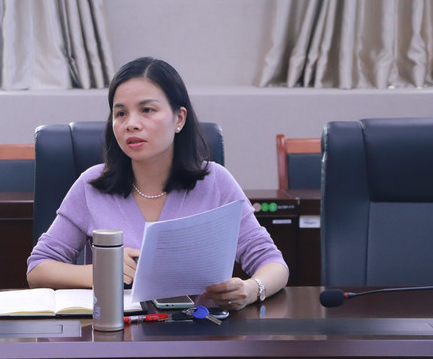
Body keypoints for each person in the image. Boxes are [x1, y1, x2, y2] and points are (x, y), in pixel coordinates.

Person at [27, 57, 289, 310]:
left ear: (179, 118)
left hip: (201, 332)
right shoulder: (92, 185)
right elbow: (38, 268)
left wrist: (253, 288)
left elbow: (273, 264)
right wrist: (99, 272)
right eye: (120, 113)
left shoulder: (215, 182)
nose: (131, 124)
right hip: (118, 333)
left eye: (147, 110)